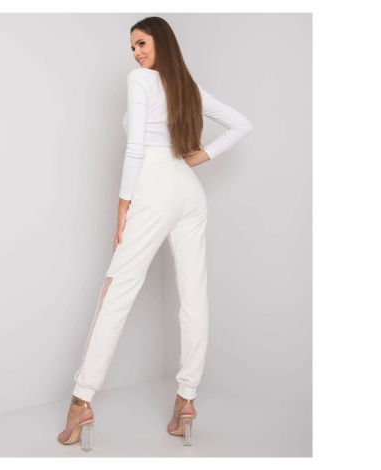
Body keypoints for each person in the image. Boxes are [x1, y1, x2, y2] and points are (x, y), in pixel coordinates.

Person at [57, 16, 253, 450]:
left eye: (142, 43)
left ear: (160, 41)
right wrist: (194, 160)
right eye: (132, 47)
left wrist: (123, 204)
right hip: (188, 190)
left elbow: (135, 148)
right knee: (193, 294)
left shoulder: (141, 80)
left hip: (153, 187)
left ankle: (80, 401)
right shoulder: (187, 86)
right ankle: (186, 399)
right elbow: (242, 124)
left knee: (117, 292)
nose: (136, 53)